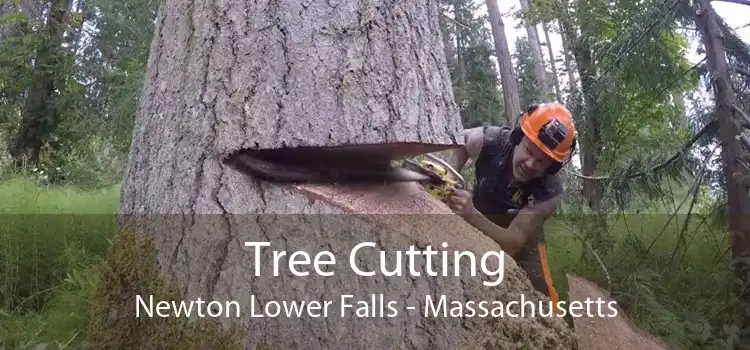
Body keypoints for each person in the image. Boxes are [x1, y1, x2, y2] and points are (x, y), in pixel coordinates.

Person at [444, 102, 577, 314]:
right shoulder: (492, 140)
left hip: (520, 238)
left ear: (553, 167)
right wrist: (449, 177)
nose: (531, 164)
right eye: (529, 151)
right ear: (517, 137)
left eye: (542, 162)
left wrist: (471, 215)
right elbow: (462, 140)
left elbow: (514, 242)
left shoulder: (549, 192)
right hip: (479, 213)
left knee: (543, 296)